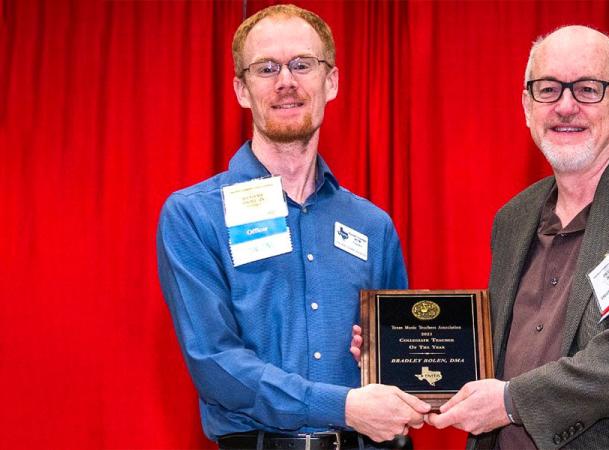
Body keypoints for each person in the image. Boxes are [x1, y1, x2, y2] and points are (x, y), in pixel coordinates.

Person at [426, 25, 609, 449]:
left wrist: (514, 402)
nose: (566, 107)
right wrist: (394, 347)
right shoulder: (513, 218)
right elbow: (495, 351)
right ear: (527, 106)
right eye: (548, 89)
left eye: (587, 89)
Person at [156, 4, 429, 450]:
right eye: (266, 68)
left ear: (332, 81)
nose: (286, 81)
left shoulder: (373, 225)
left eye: (303, 64)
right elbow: (215, 364)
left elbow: (400, 360)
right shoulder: (193, 216)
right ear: (242, 90)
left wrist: (385, 364)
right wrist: (342, 405)